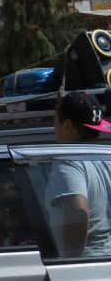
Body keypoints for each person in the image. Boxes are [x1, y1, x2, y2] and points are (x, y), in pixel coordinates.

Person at [48, 90, 111, 257]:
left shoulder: (68, 161)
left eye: (55, 120)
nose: (54, 127)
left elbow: (78, 212)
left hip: (87, 261)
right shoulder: (107, 157)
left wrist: (70, 263)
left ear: (67, 125)